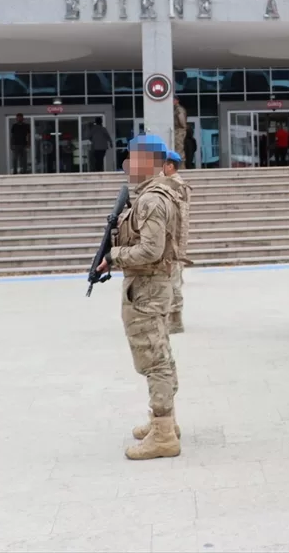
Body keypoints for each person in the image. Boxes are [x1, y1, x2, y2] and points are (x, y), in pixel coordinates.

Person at [95, 134, 185, 460]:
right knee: (159, 355)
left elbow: (151, 249)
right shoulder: (152, 194)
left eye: (130, 158)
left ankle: (163, 434)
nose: (125, 164)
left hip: (146, 290)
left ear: (146, 160)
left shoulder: (151, 199)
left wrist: (115, 255)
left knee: (155, 361)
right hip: (148, 289)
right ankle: (164, 422)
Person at [161, 149, 191, 334]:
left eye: (163, 164)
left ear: (170, 166)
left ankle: (175, 320)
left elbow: (179, 218)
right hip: (171, 241)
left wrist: (175, 245)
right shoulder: (174, 184)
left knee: (173, 280)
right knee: (172, 279)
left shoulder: (176, 186)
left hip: (172, 241)